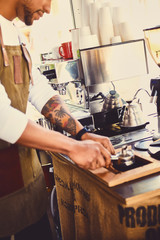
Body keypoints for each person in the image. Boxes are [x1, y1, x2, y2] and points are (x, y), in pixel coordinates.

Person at [0, 0, 115, 239]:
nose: (49, 9)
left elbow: (38, 90)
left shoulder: (15, 33)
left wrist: (82, 134)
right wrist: (73, 147)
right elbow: (2, 118)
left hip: (28, 192)